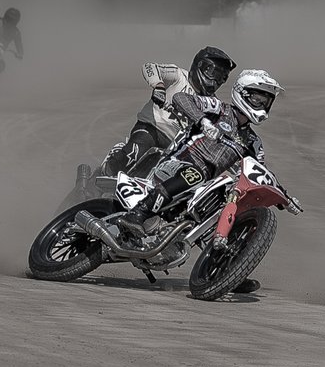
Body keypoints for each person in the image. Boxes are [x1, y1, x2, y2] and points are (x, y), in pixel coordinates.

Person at [116, 69, 299, 294]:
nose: (262, 104)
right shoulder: (218, 108)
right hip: (178, 163)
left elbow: (260, 169)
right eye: (257, 97)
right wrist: (203, 122)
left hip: (204, 185)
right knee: (197, 173)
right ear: (242, 93)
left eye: (266, 100)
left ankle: (229, 268)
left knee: (230, 203)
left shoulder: (253, 141)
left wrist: (284, 196)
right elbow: (180, 99)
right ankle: (138, 213)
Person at [96, 46, 237, 177]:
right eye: (214, 73)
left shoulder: (212, 103)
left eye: (222, 77)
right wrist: (158, 86)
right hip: (152, 129)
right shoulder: (178, 75)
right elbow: (149, 67)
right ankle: (101, 174)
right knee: (133, 155)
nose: (217, 81)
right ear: (200, 66)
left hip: (176, 148)